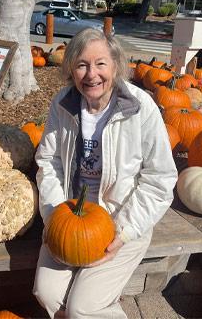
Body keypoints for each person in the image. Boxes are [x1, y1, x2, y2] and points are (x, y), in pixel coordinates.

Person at [33, 28, 177, 319]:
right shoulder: (63, 104)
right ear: (71, 70)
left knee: (82, 309)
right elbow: (49, 161)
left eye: (100, 63)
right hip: (69, 218)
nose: (91, 74)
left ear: (115, 66)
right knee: (46, 295)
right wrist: (53, 217)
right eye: (82, 64)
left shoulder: (140, 108)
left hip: (121, 221)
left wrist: (123, 233)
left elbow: (160, 178)